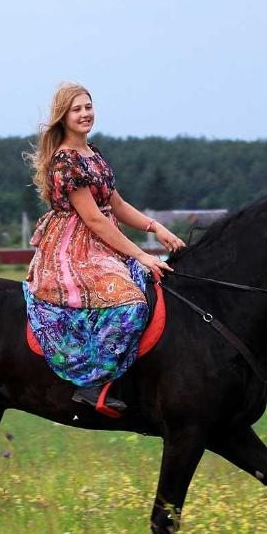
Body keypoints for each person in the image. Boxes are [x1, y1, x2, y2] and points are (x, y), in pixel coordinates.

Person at [23, 82, 186, 412]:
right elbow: (94, 220)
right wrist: (141, 253)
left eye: (88, 106)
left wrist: (156, 228)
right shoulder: (65, 162)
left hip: (103, 243)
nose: (85, 114)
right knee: (130, 303)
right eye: (76, 109)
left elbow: (119, 206)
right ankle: (93, 384)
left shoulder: (92, 154)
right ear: (63, 117)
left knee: (152, 286)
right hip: (73, 250)